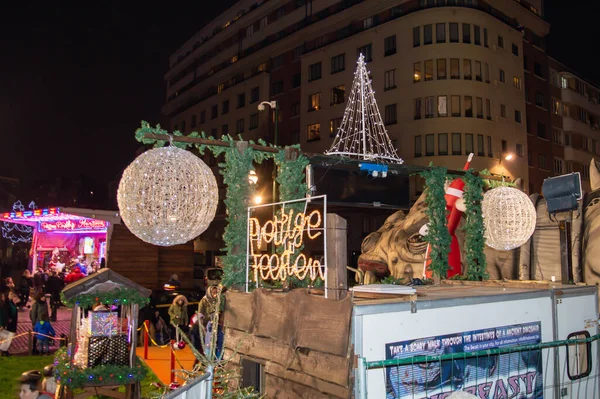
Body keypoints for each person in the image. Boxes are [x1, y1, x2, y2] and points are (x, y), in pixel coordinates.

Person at [0, 291, 18, 356]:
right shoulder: (6, 304)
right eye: (11, 294)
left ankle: (6, 351)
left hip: (12, 322)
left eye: (12, 294)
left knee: (9, 337)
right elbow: (4, 313)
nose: (12, 295)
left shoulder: (12, 302)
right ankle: (3, 351)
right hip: (8, 323)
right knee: (6, 337)